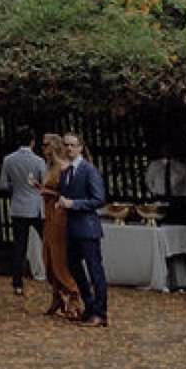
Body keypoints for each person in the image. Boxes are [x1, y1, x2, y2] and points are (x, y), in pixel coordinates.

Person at [57, 131, 109, 328]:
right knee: (74, 267)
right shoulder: (66, 172)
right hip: (71, 229)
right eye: (66, 145)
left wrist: (74, 204)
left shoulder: (89, 170)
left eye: (72, 145)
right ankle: (89, 305)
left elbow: (99, 199)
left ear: (80, 147)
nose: (69, 149)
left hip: (87, 228)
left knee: (95, 270)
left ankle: (101, 312)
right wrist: (62, 204)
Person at [36, 133, 84, 320]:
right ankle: (56, 296)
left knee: (60, 257)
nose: (43, 148)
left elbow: (66, 193)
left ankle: (73, 296)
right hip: (48, 215)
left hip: (59, 217)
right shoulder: (48, 166)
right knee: (48, 255)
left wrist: (46, 190)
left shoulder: (63, 167)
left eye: (46, 144)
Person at [0, 126, 45, 296]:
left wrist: (16, 188)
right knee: (47, 241)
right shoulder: (39, 161)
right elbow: (43, 183)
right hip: (36, 206)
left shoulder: (8, 160)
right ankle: (53, 275)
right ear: (33, 141)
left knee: (19, 245)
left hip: (18, 205)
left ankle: (17, 283)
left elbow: (3, 184)